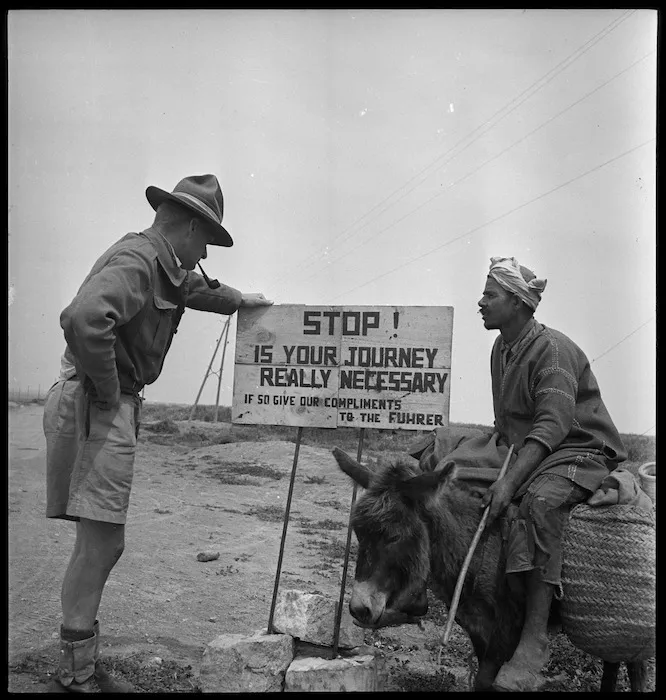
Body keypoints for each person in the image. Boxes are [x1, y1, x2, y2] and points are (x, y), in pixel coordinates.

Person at [43, 173, 273, 693]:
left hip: (101, 403)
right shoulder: (140, 261)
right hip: (97, 403)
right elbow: (83, 318)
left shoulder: (161, 263)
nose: (204, 257)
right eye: (206, 244)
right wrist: (105, 392)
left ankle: (78, 664)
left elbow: (192, 287)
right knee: (103, 543)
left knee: (99, 541)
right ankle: (76, 675)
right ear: (191, 227)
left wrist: (242, 299)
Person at [410, 256, 626, 692]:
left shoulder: (552, 349)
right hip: (520, 446)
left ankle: (534, 638)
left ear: (518, 302)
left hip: (575, 449)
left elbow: (553, 424)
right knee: (434, 464)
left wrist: (508, 482)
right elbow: (510, 424)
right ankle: (415, 585)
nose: (481, 302)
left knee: (540, 502)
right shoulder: (502, 347)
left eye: (490, 295)